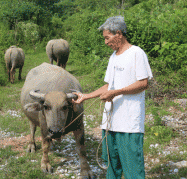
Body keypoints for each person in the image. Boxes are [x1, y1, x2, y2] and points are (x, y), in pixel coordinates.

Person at [72, 16, 153, 179]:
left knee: (133, 171)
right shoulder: (113, 57)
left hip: (129, 124)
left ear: (119, 34)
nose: (105, 42)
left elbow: (143, 83)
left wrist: (115, 93)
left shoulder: (136, 53)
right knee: (112, 167)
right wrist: (85, 96)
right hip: (110, 122)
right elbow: (108, 86)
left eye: (107, 38)